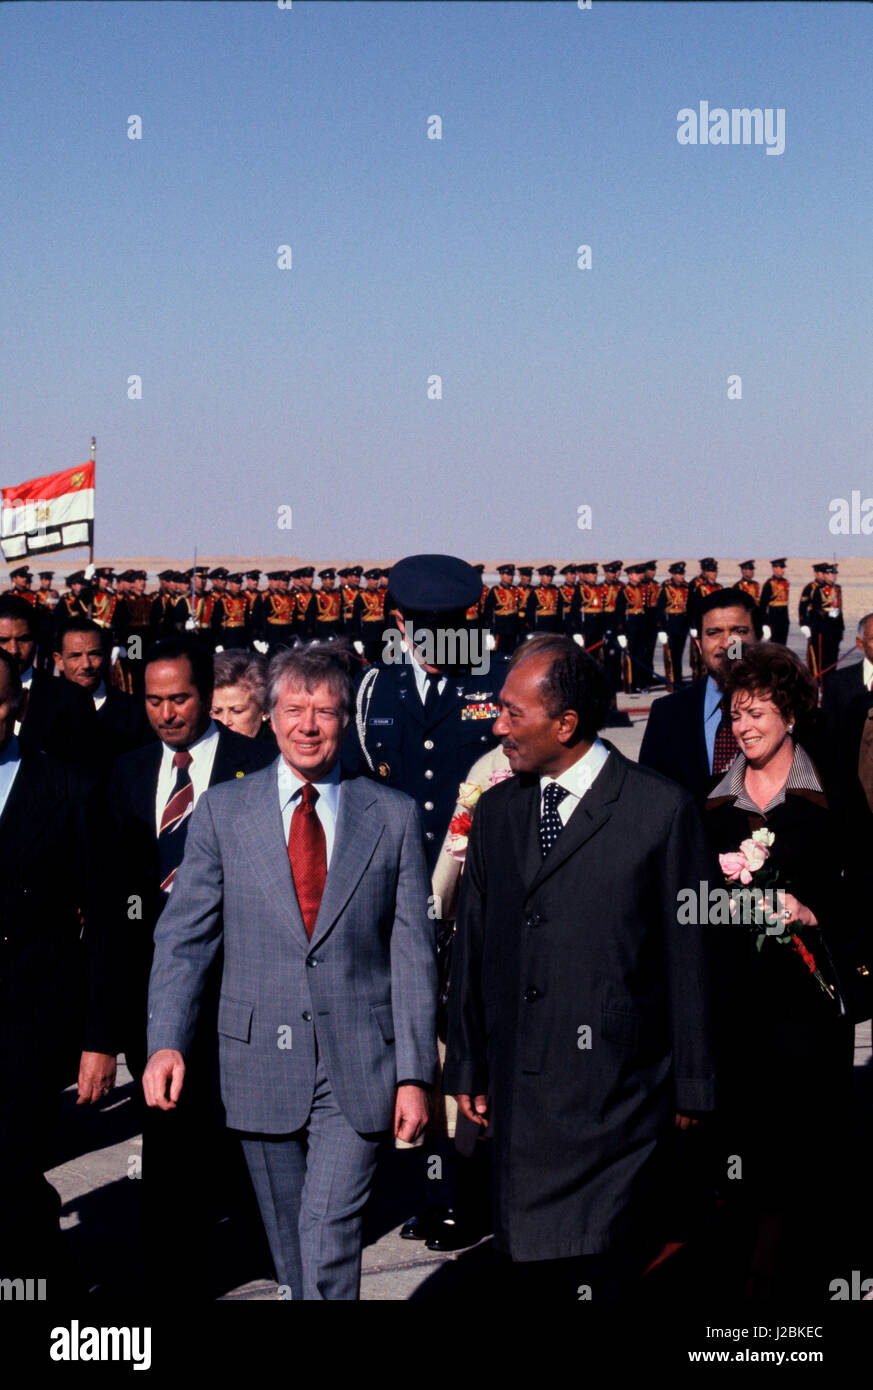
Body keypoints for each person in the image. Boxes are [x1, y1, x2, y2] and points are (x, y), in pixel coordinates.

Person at [143, 642, 438, 1300]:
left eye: (326, 711)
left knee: (327, 1227)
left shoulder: (388, 816)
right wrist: (165, 1039)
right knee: (290, 1241)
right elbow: (184, 936)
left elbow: (412, 952)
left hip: (357, 1062)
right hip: (256, 1061)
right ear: (270, 717)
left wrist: (416, 1074)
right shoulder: (224, 812)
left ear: (344, 722)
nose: (308, 724)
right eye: (295, 709)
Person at [444, 635, 716, 1299]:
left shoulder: (658, 810)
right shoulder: (502, 810)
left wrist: (694, 1084)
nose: (498, 726)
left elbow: (693, 955)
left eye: (512, 713)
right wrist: (468, 1064)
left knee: (605, 1263)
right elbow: (472, 946)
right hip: (517, 1090)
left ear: (565, 723)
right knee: (531, 1268)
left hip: (619, 1093)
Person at [109, 637, 275, 1293]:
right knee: (168, 1139)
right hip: (154, 991)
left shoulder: (258, 764)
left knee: (243, 1134)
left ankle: (264, 1249)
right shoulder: (125, 772)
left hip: (240, 988)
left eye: (179, 698)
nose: (167, 713)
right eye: (153, 700)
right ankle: (175, 1274)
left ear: (205, 695)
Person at [702, 643, 857, 1297]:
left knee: (806, 1138)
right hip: (732, 1002)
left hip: (807, 1001)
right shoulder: (710, 806)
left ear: (788, 713)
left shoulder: (830, 793)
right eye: (735, 714)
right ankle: (745, 1259)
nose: (744, 726)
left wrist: (815, 912)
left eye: (757, 711)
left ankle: (791, 1268)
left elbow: (867, 884)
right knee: (740, 1140)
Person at [0, 649, 117, 1293]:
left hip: (31, 1017)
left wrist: (99, 1038)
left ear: (17, 704)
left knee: (12, 1168)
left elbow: (104, 921)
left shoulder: (69, 787)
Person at [638, 588, 759, 802]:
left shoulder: (789, 708)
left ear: (758, 638)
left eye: (738, 631)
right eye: (714, 633)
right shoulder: (667, 713)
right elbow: (649, 799)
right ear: (699, 645)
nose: (727, 643)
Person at [0, 594, 100, 766]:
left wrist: (134, 650)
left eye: (23, 639)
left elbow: (86, 771)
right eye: (3, 640)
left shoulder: (72, 699)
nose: (13, 650)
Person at [54, 617, 154, 770]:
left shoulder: (135, 713)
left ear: (106, 656)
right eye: (75, 656)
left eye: (94, 654)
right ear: (59, 661)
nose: (86, 665)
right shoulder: (43, 710)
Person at [211, 648, 273, 741]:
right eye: (216, 711)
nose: (224, 722)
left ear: (264, 710)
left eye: (237, 711)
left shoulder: (281, 753)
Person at [759, 558, 790, 646]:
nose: (783, 571)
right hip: (773, 617)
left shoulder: (786, 582)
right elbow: (763, 605)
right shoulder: (769, 584)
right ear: (774, 569)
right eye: (781, 568)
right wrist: (765, 623)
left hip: (783, 617)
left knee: (783, 644)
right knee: (774, 644)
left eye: (783, 568)